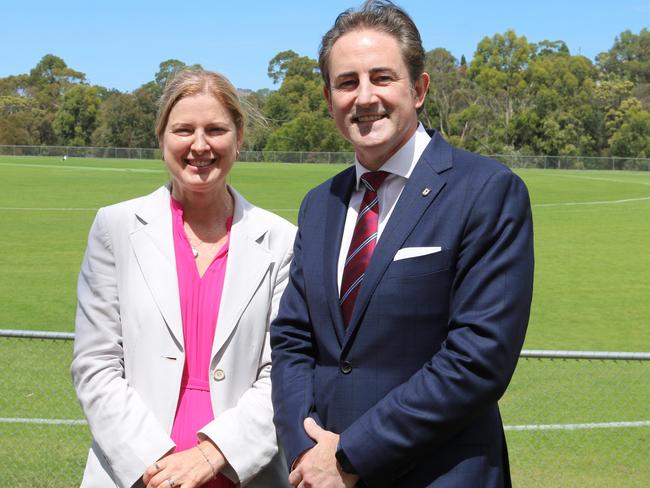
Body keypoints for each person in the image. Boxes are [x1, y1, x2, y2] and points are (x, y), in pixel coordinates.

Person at [270, 1, 534, 487]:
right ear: (329, 99)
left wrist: (349, 456)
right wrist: (306, 451)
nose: (364, 96)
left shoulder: (487, 191)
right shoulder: (319, 204)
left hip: (439, 474)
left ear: (420, 88)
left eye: (382, 77)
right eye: (347, 82)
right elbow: (292, 338)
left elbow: (477, 360)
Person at [71, 69, 295, 488]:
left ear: (239, 136)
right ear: (162, 137)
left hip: (242, 473)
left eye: (215, 129)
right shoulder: (114, 227)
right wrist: (157, 465)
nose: (199, 145)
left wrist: (213, 455)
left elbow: (283, 372)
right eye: (183, 130)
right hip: (137, 475)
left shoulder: (282, 241)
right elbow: (95, 363)